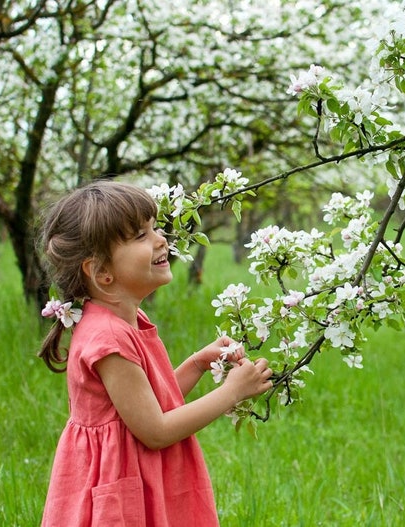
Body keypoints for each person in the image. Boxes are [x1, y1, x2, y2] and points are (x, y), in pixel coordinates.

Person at [37, 180, 273, 526]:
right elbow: (155, 429)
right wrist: (232, 392)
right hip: (121, 485)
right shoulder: (109, 338)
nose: (161, 239)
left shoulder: (124, 321)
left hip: (132, 472)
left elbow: (144, 403)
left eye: (154, 228)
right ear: (101, 272)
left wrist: (196, 364)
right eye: (140, 236)